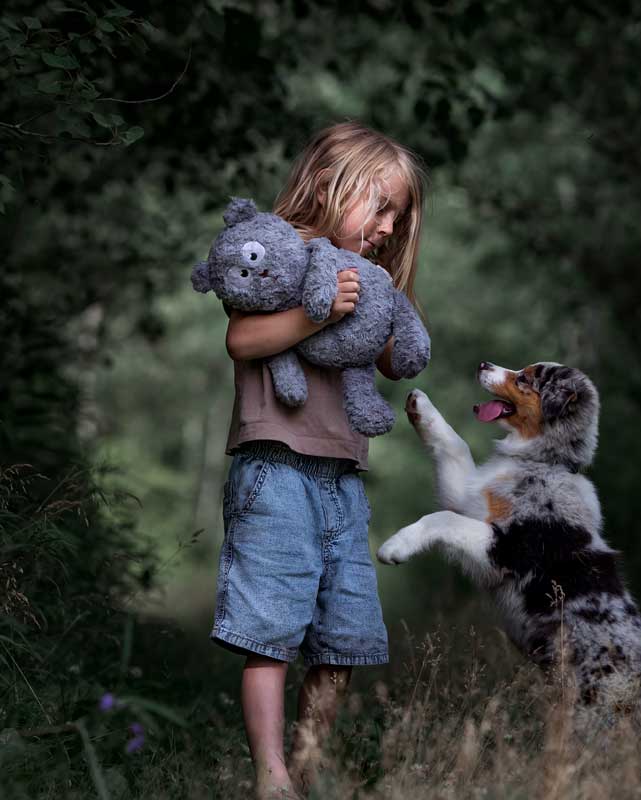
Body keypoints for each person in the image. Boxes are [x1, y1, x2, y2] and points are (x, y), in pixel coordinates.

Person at [210, 121, 427, 799]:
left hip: (342, 479)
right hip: (274, 468)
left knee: (344, 636)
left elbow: (388, 357)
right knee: (268, 628)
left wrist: (387, 319)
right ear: (332, 184)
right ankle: (271, 775)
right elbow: (242, 339)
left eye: (397, 217)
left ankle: (309, 770)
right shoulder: (276, 248)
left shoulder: (368, 277)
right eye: (380, 206)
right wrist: (318, 314)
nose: (387, 227)